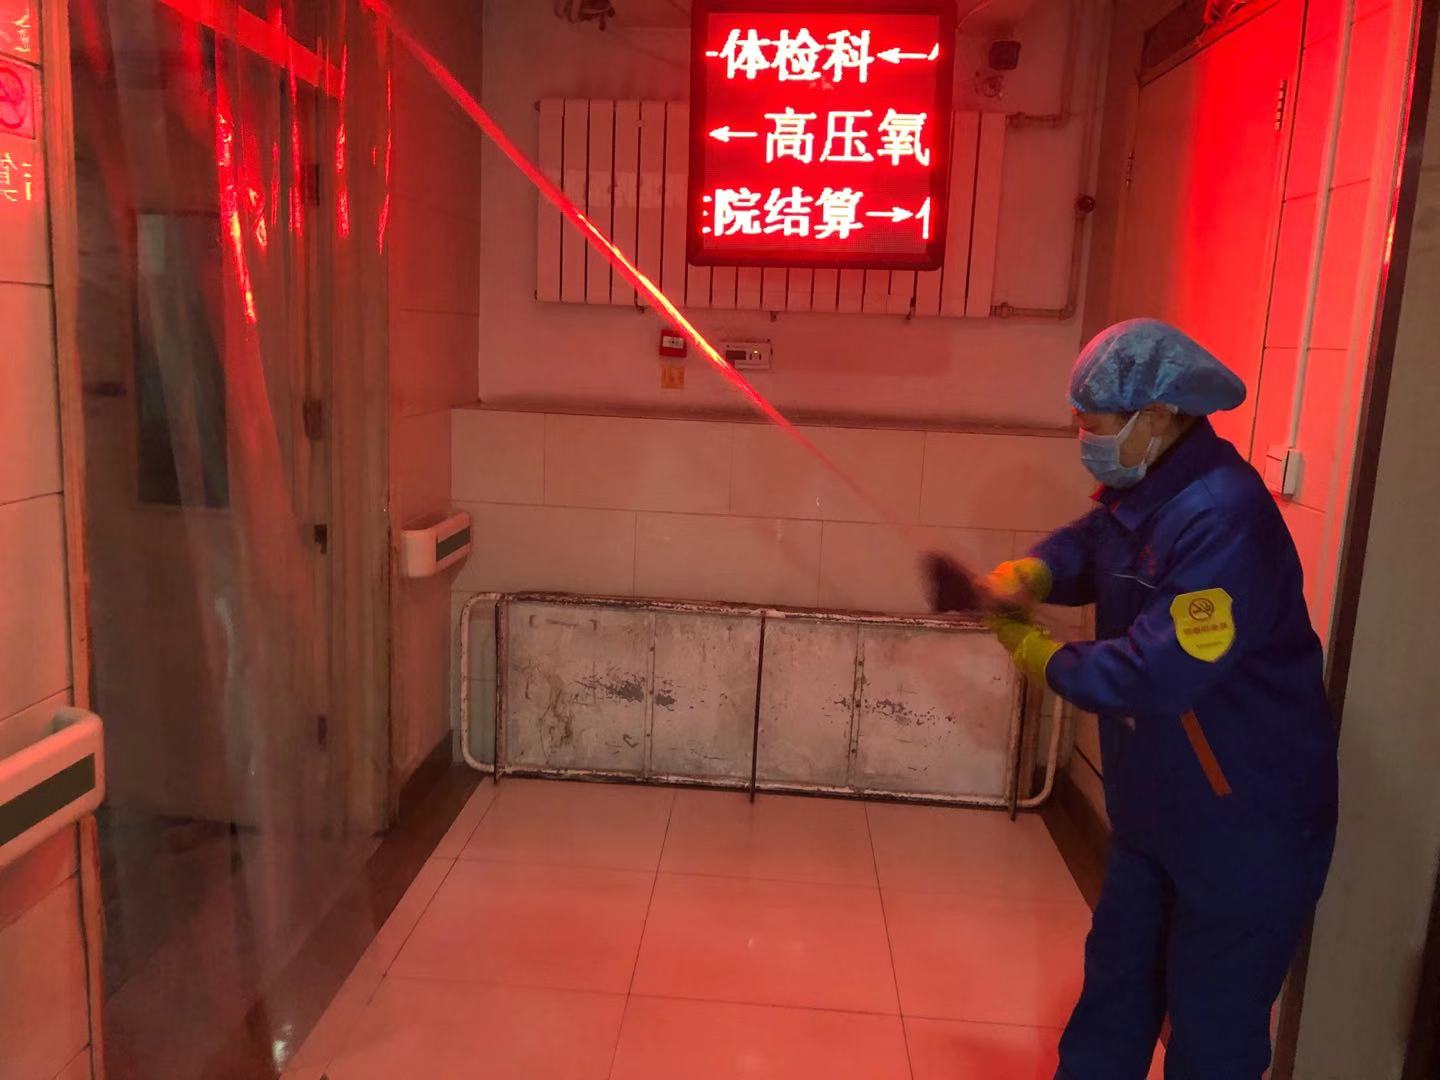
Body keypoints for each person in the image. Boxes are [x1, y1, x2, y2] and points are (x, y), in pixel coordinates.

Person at [932, 318, 1339, 1079]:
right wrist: (1035, 573)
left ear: (1155, 416)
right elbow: (1096, 543)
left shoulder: (1224, 517)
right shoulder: (1150, 487)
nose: (1082, 436)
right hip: (1159, 804)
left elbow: (1157, 672)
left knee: (1212, 1029)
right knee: (1116, 992)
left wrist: (1042, 654)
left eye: (1094, 423)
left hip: (1244, 818)